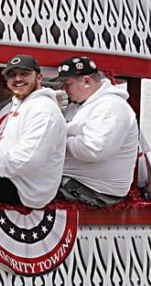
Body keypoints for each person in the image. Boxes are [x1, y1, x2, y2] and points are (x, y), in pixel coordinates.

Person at [0, 55, 67, 209]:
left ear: (39, 77)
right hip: (9, 176)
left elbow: (30, 156)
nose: (18, 79)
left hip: (26, 189)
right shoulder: (10, 107)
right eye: (12, 75)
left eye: (24, 74)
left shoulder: (44, 109)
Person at [52, 56, 138, 207]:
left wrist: (59, 138)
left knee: (21, 189)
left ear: (86, 81)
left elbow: (94, 149)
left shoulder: (111, 106)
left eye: (67, 84)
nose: (63, 89)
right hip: (82, 185)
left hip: (93, 191)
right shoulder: (91, 105)